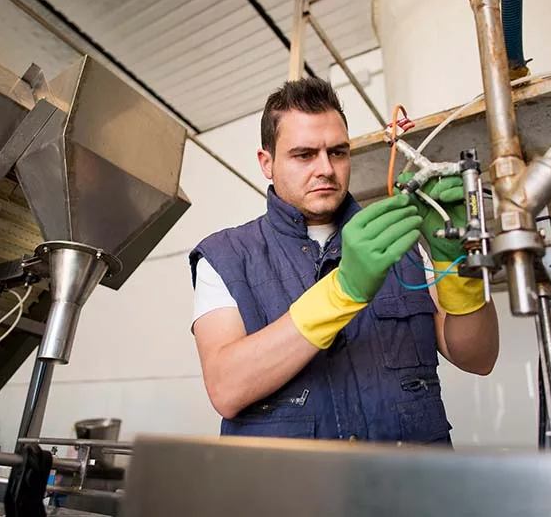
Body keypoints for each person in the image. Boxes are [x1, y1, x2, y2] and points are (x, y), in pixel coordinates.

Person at [188, 78, 499, 444]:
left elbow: (479, 358)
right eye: (304, 155)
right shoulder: (226, 256)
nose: (326, 169)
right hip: (291, 498)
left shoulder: (401, 244)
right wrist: (343, 291)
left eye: (337, 152)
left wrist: (459, 262)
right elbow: (226, 388)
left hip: (408, 493)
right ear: (266, 162)